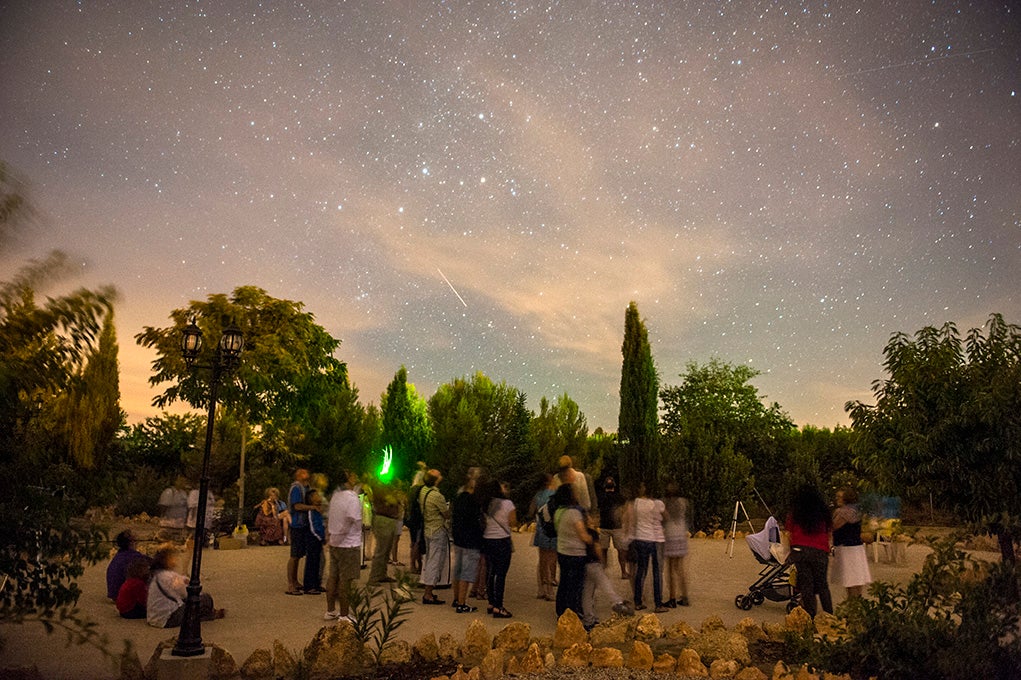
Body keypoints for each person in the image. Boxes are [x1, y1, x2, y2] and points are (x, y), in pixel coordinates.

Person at [786, 484, 834, 617]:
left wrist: (789, 550)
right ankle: (829, 615)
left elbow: (789, 532)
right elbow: (829, 531)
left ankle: (811, 615)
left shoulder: (796, 511)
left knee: (807, 585)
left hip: (800, 549)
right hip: (819, 550)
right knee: (822, 585)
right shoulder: (823, 512)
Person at [146, 547, 224, 628]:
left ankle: (208, 614)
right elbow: (187, 594)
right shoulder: (169, 576)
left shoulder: (156, 576)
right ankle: (210, 614)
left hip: (153, 617)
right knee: (206, 598)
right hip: (168, 618)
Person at [581, 512, 633, 630]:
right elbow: (597, 548)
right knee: (605, 583)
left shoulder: (583, 533)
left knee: (587, 593)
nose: (598, 519)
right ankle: (616, 602)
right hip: (594, 563)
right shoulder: (593, 533)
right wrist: (602, 561)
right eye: (595, 517)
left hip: (585, 564)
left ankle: (589, 619)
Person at [324, 469, 362, 623]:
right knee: (346, 580)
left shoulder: (335, 496)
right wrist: (344, 533)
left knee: (333, 577)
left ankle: (330, 610)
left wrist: (334, 536)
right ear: (348, 479)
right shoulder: (351, 498)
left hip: (335, 542)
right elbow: (353, 519)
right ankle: (344, 614)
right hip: (348, 544)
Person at [553, 483, 593, 618]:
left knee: (564, 582)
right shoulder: (574, 513)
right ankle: (572, 612)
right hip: (576, 552)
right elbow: (583, 535)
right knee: (575, 584)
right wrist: (591, 539)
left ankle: (561, 610)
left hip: (562, 550)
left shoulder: (559, 511)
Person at [628, 482, 667, 613]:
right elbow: (665, 517)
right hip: (653, 539)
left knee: (640, 570)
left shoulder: (637, 502)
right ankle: (658, 603)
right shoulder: (657, 504)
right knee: (656, 572)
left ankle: (637, 601)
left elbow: (633, 520)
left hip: (639, 538)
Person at [480, 479, 516, 618]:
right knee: (501, 574)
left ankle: (491, 602)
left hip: (488, 540)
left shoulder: (486, 504)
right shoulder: (507, 504)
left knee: (490, 571)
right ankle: (498, 606)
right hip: (502, 540)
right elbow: (513, 522)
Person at [450, 468, 484, 613]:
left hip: (459, 538)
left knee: (458, 569)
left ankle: (457, 598)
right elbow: (477, 520)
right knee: (467, 572)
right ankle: (462, 603)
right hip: (471, 539)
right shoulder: (473, 500)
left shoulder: (458, 498)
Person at [831, 487, 871, 599]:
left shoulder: (841, 513)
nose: (837, 499)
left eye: (839, 497)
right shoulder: (857, 512)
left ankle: (851, 605)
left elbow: (833, 527)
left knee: (850, 580)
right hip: (857, 548)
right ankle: (857, 604)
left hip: (846, 549)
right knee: (857, 580)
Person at [419, 469, 451, 605]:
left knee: (429, 560)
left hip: (428, 529)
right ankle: (428, 593)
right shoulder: (437, 496)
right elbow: (446, 514)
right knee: (434, 562)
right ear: (436, 480)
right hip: (437, 530)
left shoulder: (423, 491)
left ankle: (429, 592)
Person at [285, 468, 317, 595]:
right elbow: (297, 506)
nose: (306, 473)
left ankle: (295, 581)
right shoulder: (296, 488)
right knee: (294, 555)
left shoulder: (306, 487)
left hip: (304, 524)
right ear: (298, 475)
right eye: (303, 472)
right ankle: (290, 584)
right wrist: (313, 507)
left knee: (299, 555)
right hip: (297, 524)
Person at [367, 477, 402, 585]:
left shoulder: (385, 488)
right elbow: (392, 500)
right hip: (384, 520)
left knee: (386, 550)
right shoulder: (379, 488)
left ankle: (382, 574)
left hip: (389, 520)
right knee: (381, 550)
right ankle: (373, 577)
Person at [529, 474, 558, 601]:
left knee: (542, 560)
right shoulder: (554, 494)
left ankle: (541, 588)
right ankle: (550, 589)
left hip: (541, 529)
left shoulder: (537, 495)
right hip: (552, 529)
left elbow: (531, 511)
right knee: (552, 559)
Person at [596, 473, 630, 578]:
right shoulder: (619, 497)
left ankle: (602, 572)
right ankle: (623, 572)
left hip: (604, 526)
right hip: (617, 526)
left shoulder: (601, 497)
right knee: (621, 551)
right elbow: (624, 510)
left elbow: (597, 511)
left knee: (603, 550)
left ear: (604, 486)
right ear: (614, 486)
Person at [662, 482, 690, 607]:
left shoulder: (665, 503)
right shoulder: (683, 502)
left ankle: (672, 597)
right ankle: (684, 596)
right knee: (680, 568)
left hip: (670, 534)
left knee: (670, 568)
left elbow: (664, 518)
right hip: (681, 534)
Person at [106, 530, 150, 601]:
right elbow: (153, 562)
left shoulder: (119, 555)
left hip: (113, 593)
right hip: (122, 595)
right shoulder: (133, 556)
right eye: (134, 540)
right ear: (131, 543)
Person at [304, 473, 328, 594]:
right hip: (314, 539)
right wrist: (320, 537)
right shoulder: (311, 511)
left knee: (318, 561)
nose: (319, 497)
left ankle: (316, 583)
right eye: (316, 496)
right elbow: (313, 527)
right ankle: (309, 585)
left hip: (318, 538)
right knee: (312, 562)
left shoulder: (317, 510)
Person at [157, 476, 189, 542]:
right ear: (175, 482)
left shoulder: (183, 493)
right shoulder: (169, 492)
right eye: (181, 480)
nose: (183, 482)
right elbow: (163, 507)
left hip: (179, 526)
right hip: (168, 525)